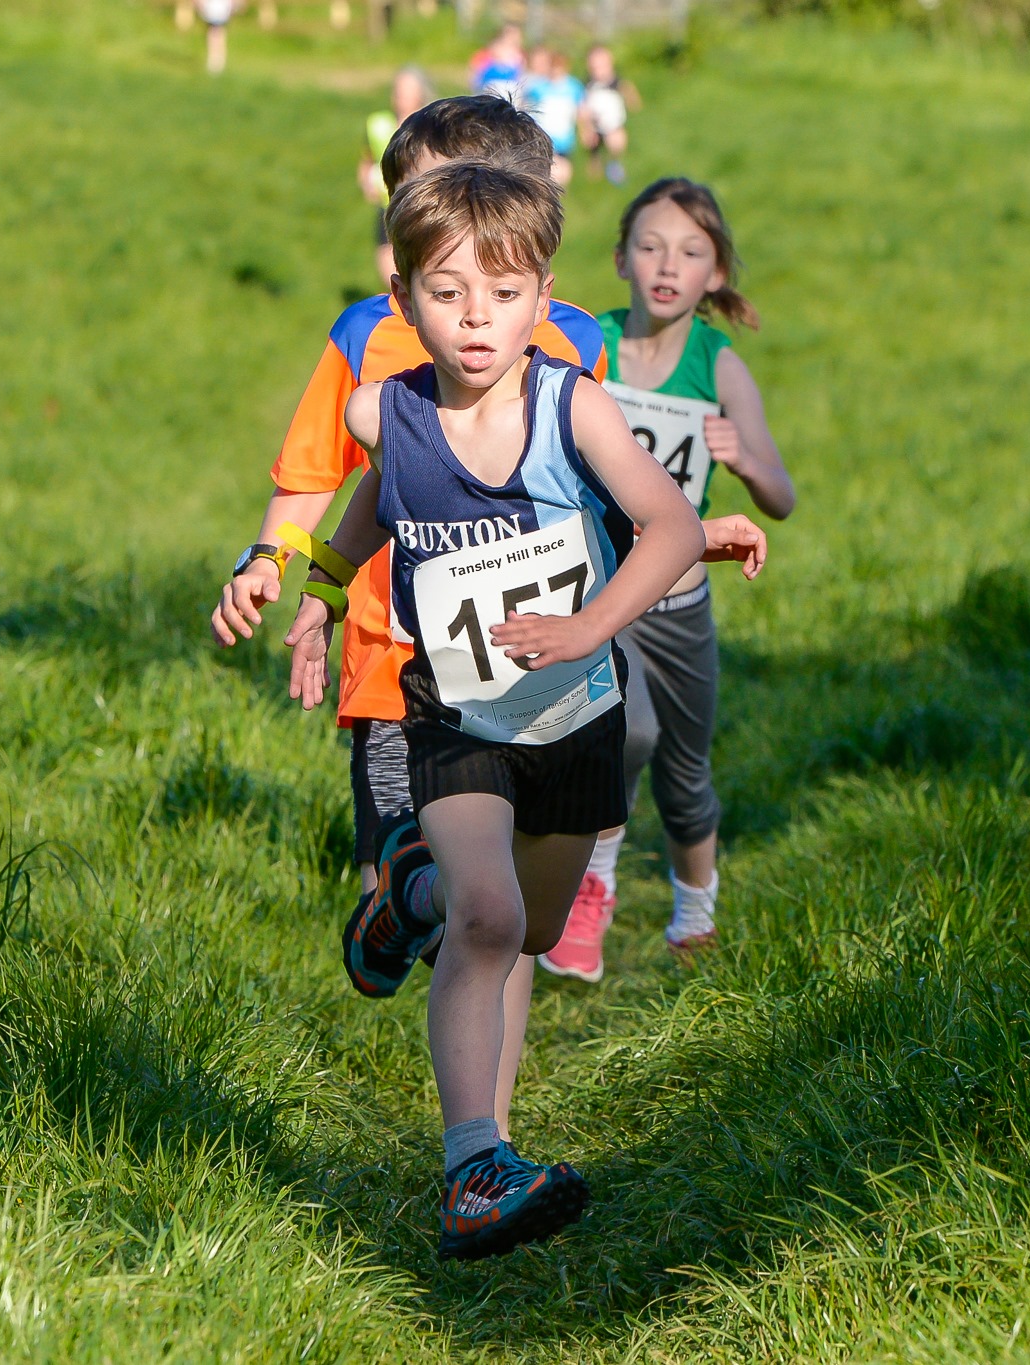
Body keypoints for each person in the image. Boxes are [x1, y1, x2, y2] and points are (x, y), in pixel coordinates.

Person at [281, 160, 709, 1258]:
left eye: (505, 294)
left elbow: (666, 527)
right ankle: (474, 1162)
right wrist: (324, 593)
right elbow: (382, 494)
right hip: (456, 715)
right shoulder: (385, 409)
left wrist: (587, 628)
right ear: (402, 296)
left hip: (573, 717)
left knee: (522, 922)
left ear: (544, 294)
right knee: (489, 918)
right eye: (447, 294)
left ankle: (400, 903)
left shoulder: (577, 404)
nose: (477, 320)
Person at [541, 177, 793, 985]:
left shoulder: (720, 369)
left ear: (715, 273)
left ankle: (695, 913)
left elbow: (780, 496)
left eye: (691, 252)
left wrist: (742, 459)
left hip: (683, 598)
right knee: (627, 731)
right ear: (618, 257)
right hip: (603, 584)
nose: (666, 264)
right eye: (649, 245)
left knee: (685, 772)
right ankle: (594, 882)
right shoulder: (589, 343)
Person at [361, 68, 439, 287]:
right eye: (397, 89)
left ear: (420, 93)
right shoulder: (378, 124)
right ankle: (401, 299)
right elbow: (367, 158)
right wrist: (365, 182)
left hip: (419, 202)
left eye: (406, 90)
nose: (399, 95)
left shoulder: (429, 125)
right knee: (385, 254)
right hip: (387, 201)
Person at [577, 44, 641, 186]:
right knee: (592, 145)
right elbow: (582, 109)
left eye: (602, 66)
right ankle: (595, 162)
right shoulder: (587, 86)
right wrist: (585, 128)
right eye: (595, 68)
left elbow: (629, 91)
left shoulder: (616, 82)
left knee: (617, 141)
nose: (599, 71)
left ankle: (614, 163)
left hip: (613, 124)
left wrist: (632, 100)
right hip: (594, 124)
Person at [522, 48, 583, 188]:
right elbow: (526, 105)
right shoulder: (539, 87)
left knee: (563, 173)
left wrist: (585, 129)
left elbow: (580, 110)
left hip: (564, 138)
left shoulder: (573, 87)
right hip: (544, 136)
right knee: (548, 173)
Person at [469, 24, 526, 102]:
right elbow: (476, 69)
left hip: (511, 90)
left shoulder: (520, 55)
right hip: (491, 87)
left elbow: (521, 75)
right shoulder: (493, 50)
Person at [196, 0, 233, 74]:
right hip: (212, 8)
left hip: (220, 7)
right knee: (214, 32)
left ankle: (218, 60)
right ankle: (214, 60)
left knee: (217, 32)